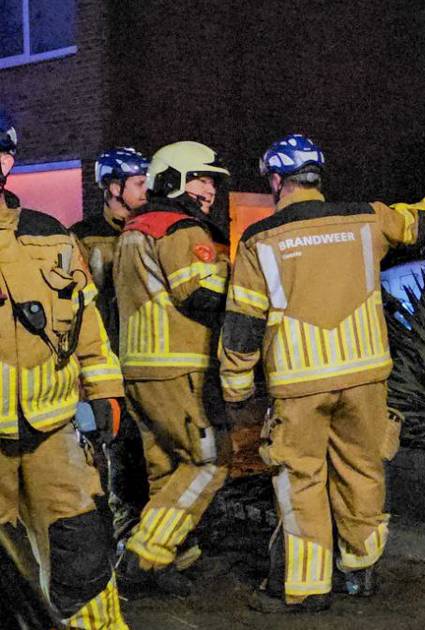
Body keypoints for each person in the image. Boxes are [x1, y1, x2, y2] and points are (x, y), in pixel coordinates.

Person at [220, 134, 425, 612]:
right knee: (362, 469)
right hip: (365, 376)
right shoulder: (368, 219)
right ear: (317, 176)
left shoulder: (260, 239)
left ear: (276, 180)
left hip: (299, 383)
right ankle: (360, 570)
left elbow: (243, 323)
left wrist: (235, 388)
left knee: (301, 477)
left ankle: (310, 586)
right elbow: (424, 221)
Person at [0, 111, 129, 628]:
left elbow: (89, 328)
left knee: (84, 558)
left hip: (53, 435)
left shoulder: (51, 237)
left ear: (6, 160)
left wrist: (105, 393)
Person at [112, 140, 232, 595]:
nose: (210, 190)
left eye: (214, 182)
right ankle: (144, 557)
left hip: (139, 370)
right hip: (179, 368)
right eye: (202, 178)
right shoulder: (180, 229)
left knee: (166, 470)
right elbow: (202, 295)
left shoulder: (134, 228)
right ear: (174, 178)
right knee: (208, 463)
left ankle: (175, 558)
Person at [71, 148, 151, 543]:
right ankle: (122, 537)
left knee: (149, 455)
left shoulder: (149, 231)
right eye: (138, 183)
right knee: (116, 453)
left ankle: (148, 539)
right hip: (107, 364)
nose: (146, 190)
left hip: (147, 359)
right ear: (114, 187)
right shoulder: (83, 237)